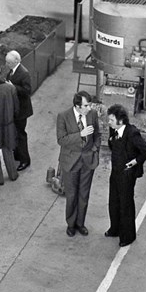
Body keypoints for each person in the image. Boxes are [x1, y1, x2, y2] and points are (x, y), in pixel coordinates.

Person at [105, 104, 146, 247]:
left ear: (121, 121)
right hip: (115, 172)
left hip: (126, 175)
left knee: (125, 204)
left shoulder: (132, 133)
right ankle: (115, 229)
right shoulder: (113, 129)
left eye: (111, 120)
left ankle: (127, 236)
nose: (109, 123)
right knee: (114, 202)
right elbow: (112, 145)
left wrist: (135, 162)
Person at [56, 91, 101, 237]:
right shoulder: (63, 117)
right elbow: (61, 140)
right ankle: (71, 224)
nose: (89, 108)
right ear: (77, 106)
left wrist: (95, 149)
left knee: (84, 194)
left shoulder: (92, 114)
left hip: (87, 160)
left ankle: (80, 223)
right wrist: (80, 135)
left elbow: (97, 134)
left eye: (89, 105)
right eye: (86, 106)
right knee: (71, 195)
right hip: (70, 161)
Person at [5, 50, 33, 171]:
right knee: (16, 133)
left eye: (9, 62)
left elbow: (27, 91)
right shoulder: (12, 71)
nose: (7, 64)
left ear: (16, 61)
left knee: (21, 134)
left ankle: (25, 160)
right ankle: (17, 154)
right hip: (15, 109)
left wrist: (13, 87)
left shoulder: (24, 73)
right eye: (7, 62)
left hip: (22, 110)